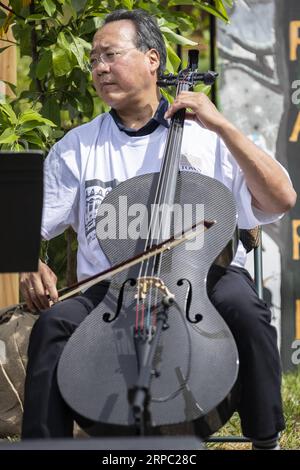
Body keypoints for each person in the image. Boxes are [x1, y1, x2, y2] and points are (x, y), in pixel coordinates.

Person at [20, 9, 296, 448]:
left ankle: (265, 436)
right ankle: (45, 445)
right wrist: (27, 259)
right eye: (94, 60)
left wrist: (223, 124)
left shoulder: (208, 138)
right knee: (53, 324)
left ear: (152, 59)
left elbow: (281, 199)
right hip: (111, 287)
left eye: (110, 55)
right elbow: (25, 227)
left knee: (247, 310)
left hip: (203, 277)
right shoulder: (78, 147)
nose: (99, 68)